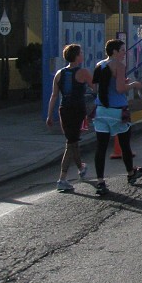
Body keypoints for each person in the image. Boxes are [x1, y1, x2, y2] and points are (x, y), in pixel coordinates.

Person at [92, 39, 142, 196]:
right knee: (124, 144)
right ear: (114, 51)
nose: (124, 53)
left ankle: (100, 181)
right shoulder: (119, 66)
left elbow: (96, 86)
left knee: (101, 147)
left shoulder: (99, 65)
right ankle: (130, 173)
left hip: (101, 110)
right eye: (122, 50)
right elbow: (120, 89)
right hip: (118, 111)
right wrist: (134, 85)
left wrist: (120, 82)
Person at [46, 43, 94, 192]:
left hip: (64, 109)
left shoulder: (59, 73)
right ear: (76, 56)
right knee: (71, 143)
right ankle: (62, 178)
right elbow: (95, 87)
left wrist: (49, 115)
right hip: (77, 109)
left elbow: (54, 95)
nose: (83, 54)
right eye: (81, 53)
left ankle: (81, 168)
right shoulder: (83, 72)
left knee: (73, 141)